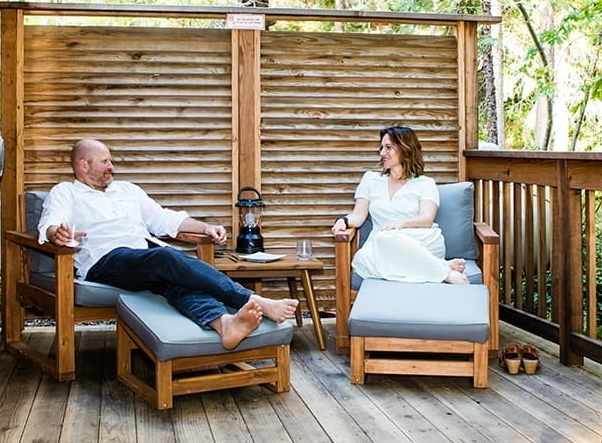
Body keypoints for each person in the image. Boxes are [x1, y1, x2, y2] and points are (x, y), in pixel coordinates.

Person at [39, 138, 298, 349]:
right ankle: (253, 299)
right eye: (105, 161)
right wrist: (56, 233)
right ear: (83, 165)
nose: (112, 167)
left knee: (175, 278)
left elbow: (163, 218)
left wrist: (205, 228)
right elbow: (51, 223)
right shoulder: (65, 192)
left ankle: (224, 324)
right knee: (167, 258)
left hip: (144, 258)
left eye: (111, 161)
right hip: (103, 261)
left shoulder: (127, 190)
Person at [331, 125, 468, 285]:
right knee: (372, 249)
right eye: (381, 148)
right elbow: (358, 216)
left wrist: (400, 224)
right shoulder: (370, 180)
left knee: (385, 238)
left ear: (405, 148)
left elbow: (427, 218)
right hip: (381, 245)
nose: (382, 153)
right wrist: (344, 221)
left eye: (388, 148)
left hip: (421, 241)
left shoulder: (425, 183)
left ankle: (441, 272)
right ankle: (443, 268)